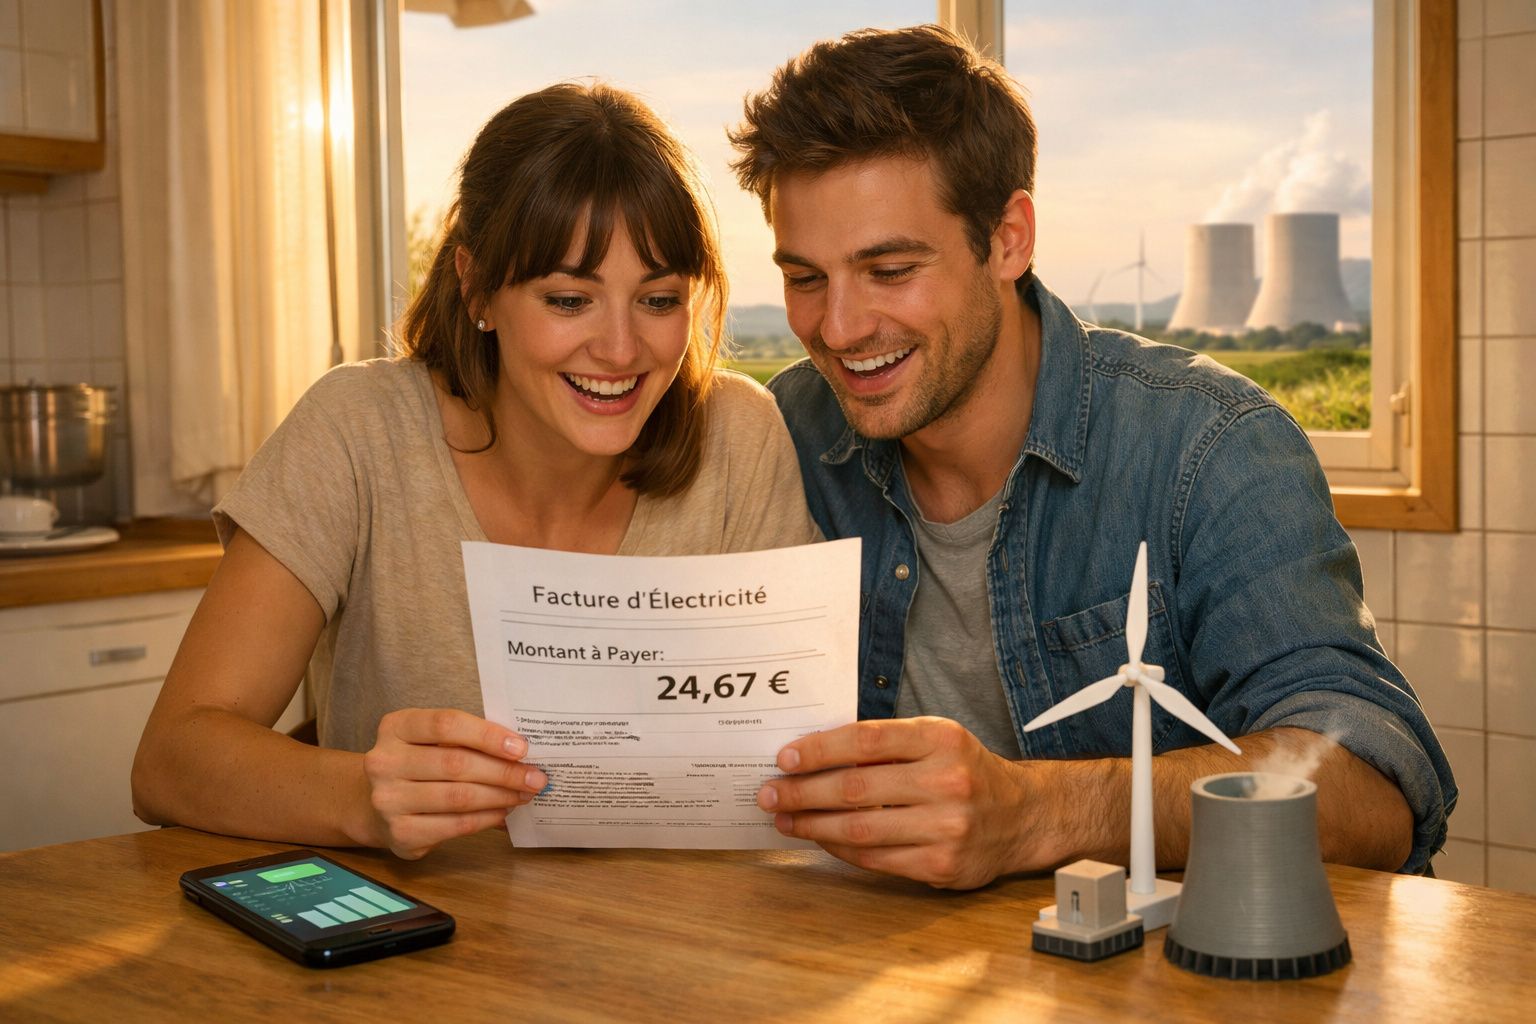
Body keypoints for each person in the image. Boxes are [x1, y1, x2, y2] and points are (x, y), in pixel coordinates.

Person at [728, 25, 1456, 889]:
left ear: (1009, 238)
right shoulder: (781, 434)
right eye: (805, 278)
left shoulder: (1210, 445)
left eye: (889, 270)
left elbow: (1373, 791)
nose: (838, 329)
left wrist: (1039, 811)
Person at [133, 83, 820, 859]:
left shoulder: (739, 436)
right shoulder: (359, 431)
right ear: (475, 285)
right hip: (421, 953)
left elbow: (785, 771)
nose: (622, 351)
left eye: (659, 300)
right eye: (569, 299)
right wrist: (362, 798)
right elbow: (169, 762)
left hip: (685, 943)